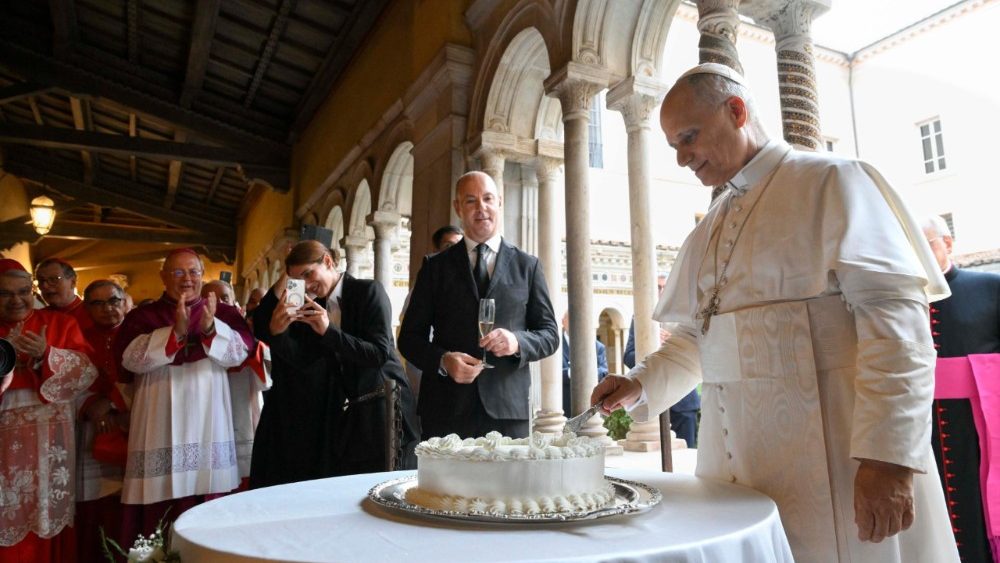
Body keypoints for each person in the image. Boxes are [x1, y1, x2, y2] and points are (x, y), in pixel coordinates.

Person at [590, 63, 957, 562]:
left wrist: (889, 459)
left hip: (841, 461)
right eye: (674, 146)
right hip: (736, 469)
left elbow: (899, 330)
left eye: (689, 138)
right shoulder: (709, 228)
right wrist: (639, 384)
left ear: (737, 111)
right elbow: (699, 339)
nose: (681, 160)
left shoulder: (835, 182)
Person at [399, 171, 559, 440]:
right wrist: (442, 360)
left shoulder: (527, 266)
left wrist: (517, 341)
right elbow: (409, 339)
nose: (481, 208)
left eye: (487, 199)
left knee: (507, 484)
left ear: (500, 202)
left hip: (508, 411)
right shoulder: (434, 267)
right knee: (446, 485)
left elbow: (550, 335)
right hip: (445, 409)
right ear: (458, 207)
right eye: (471, 201)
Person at [249, 241, 419, 487]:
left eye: (309, 274)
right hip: (348, 416)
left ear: (328, 262)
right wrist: (279, 333)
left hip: (384, 408)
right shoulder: (310, 306)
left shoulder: (368, 291)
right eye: (298, 280)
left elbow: (379, 354)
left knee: (388, 489)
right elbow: (304, 360)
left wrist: (328, 331)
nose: (307, 285)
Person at [113, 248, 253, 539]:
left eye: (193, 272)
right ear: (163, 277)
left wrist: (211, 328)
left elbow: (239, 354)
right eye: (178, 272)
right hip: (158, 416)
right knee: (159, 493)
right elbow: (128, 360)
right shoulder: (143, 316)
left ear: (202, 275)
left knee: (207, 485)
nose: (187, 279)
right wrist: (174, 333)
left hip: (209, 416)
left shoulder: (224, 313)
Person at [0, 259, 97, 562]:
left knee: (45, 507)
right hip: (4, 440)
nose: (17, 299)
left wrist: (46, 355)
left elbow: (86, 372)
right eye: (5, 293)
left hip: (50, 436)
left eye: (23, 291)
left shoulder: (60, 324)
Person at [923, 214, 1000, 561]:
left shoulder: (990, 287)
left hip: (980, 427)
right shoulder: (899, 303)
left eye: (926, 245)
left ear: (948, 243)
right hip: (925, 431)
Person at [77, 280, 130, 562]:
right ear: (86, 308)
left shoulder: (139, 335)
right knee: (96, 503)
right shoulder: (78, 338)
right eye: (97, 303)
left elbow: (143, 380)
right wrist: (91, 407)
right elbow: (70, 383)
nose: (107, 308)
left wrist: (111, 403)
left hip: (133, 423)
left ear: (124, 302)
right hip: (92, 431)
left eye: (113, 300)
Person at [623, 274, 700, 447]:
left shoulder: (685, 313)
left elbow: (696, 344)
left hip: (684, 402)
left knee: (687, 456)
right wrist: (653, 345)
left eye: (665, 286)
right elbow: (628, 356)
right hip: (650, 400)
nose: (662, 291)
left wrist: (673, 341)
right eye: (657, 287)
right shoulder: (640, 318)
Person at [202, 280, 266, 484]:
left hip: (241, 395)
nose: (219, 303)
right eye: (211, 298)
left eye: (224, 298)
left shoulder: (244, 327)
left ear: (235, 301)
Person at [400, 225, 465, 395]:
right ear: (436, 250)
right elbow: (409, 333)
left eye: (460, 245)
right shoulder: (427, 281)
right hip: (428, 369)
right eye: (449, 246)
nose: (456, 251)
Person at [561, 310, 608, 415]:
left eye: (579, 320)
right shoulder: (555, 346)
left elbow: (604, 371)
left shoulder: (598, 347)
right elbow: (550, 375)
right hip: (562, 408)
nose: (575, 323)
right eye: (571, 319)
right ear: (563, 321)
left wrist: (588, 372)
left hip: (589, 406)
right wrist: (571, 373)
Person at [35, 257, 93, 332]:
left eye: (53, 279)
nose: (45, 286)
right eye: (41, 281)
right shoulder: (38, 316)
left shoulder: (92, 312)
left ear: (73, 282)